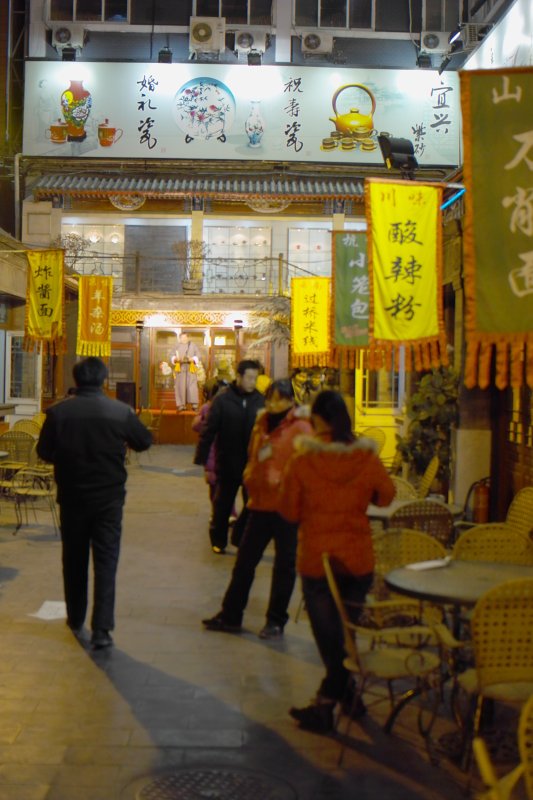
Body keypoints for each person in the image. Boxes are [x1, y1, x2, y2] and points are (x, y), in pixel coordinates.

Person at [277, 390, 395, 733]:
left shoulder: (302, 461)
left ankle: (326, 704)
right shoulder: (366, 458)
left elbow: (287, 510)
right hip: (357, 561)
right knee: (346, 635)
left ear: (317, 420)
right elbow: (387, 495)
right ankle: (348, 697)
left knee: (331, 640)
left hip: (319, 560)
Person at [36, 357, 152, 649]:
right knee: (106, 561)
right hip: (109, 500)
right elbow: (144, 441)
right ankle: (102, 629)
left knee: (73, 560)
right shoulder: (119, 412)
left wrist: (67, 458)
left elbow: (44, 451)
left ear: (77, 380)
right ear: (103, 379)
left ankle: (75, 618)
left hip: (72, 498)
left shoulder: (59, 413)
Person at [202, 379, 313, 639]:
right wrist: (250, 476)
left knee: (284, 567)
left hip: (287, 507)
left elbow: (310, 467)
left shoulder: (302, 428)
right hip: (260, 504)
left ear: (291, 400)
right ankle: (231, 615)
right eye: (270, 398)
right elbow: (255, 456)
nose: (274, 404)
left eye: (280, 399)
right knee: (244, 563)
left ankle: (275, 621)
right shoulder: (261, 424)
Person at [194, 359, 265, 554]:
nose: (252, 382)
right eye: (249, 378)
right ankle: (218, 540)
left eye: (255, 378)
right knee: (223, 504)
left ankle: (241, 537)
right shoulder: (223, 400)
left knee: (253, 504)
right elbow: (209, 430)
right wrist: (202, 456)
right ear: (239, 377)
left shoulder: (260, 401)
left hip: (252, 464)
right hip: (227, 461)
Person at [171, 332, 202, 411]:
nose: (183, 339)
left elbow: (198, 355)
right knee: (180, 386)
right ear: (180, 338)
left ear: (188, 338)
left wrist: (193, 359)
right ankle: (181, 405)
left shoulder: (193, 345)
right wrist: (175, 359)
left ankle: (194, 404)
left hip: (190, 368)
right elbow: (171, 355)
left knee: (192, 386)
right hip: (180, 368)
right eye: (182, 337)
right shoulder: (176, 346)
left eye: (185, 337)